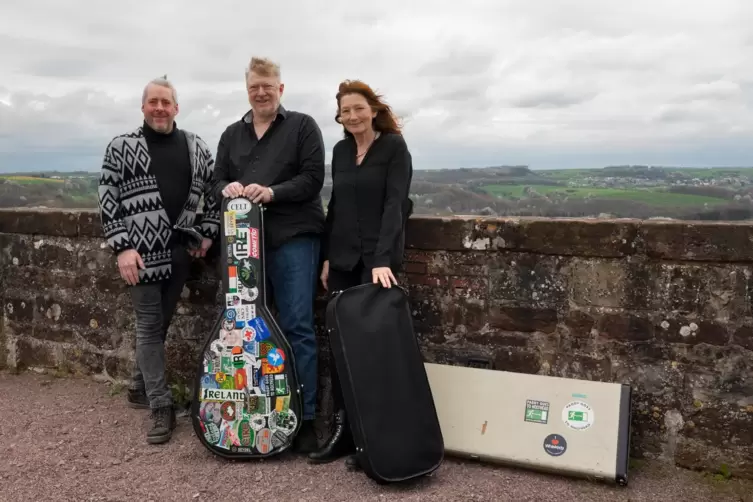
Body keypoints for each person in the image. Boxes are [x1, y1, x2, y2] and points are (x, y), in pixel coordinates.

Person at [210, 57, 326, 454]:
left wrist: (273, 192)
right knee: (249, 334)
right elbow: (217, 179)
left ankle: (305, 419)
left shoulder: (302, 126)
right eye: (254, 86)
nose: (261, 92)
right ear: (248, 90)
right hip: (245, 245)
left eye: (268, 85)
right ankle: (265, 416)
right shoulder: (231, 133)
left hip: (294, 237)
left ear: (281, 88)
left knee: (297, 326)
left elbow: (313, 180)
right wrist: (228, 188)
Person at [97, 77, 220, 445]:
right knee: (150, 326)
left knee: (160, 326)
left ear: (176, 108)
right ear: (143, 107)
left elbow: (212, 194)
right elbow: (108, 199)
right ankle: (161, 405)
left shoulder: (197, 146)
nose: (160, 108)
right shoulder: (121, 146)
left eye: (166, 102)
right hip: (141, 255)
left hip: (180, 252)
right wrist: (122, 248)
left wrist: (209, 231)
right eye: (153, 102)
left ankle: (138, 386)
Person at [308, 80, 413, 468]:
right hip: (342, 262)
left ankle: (373, 438)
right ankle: (343, 434)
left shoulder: (393, 148)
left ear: (373, 109)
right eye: (344, 111)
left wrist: (383, 259)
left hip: (376, 264)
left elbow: (395, 204)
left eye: (358, 108)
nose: (351, 116)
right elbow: (335, 204)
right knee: (339, 348)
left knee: (372, 352)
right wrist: (327, 258)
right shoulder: (339, 150)